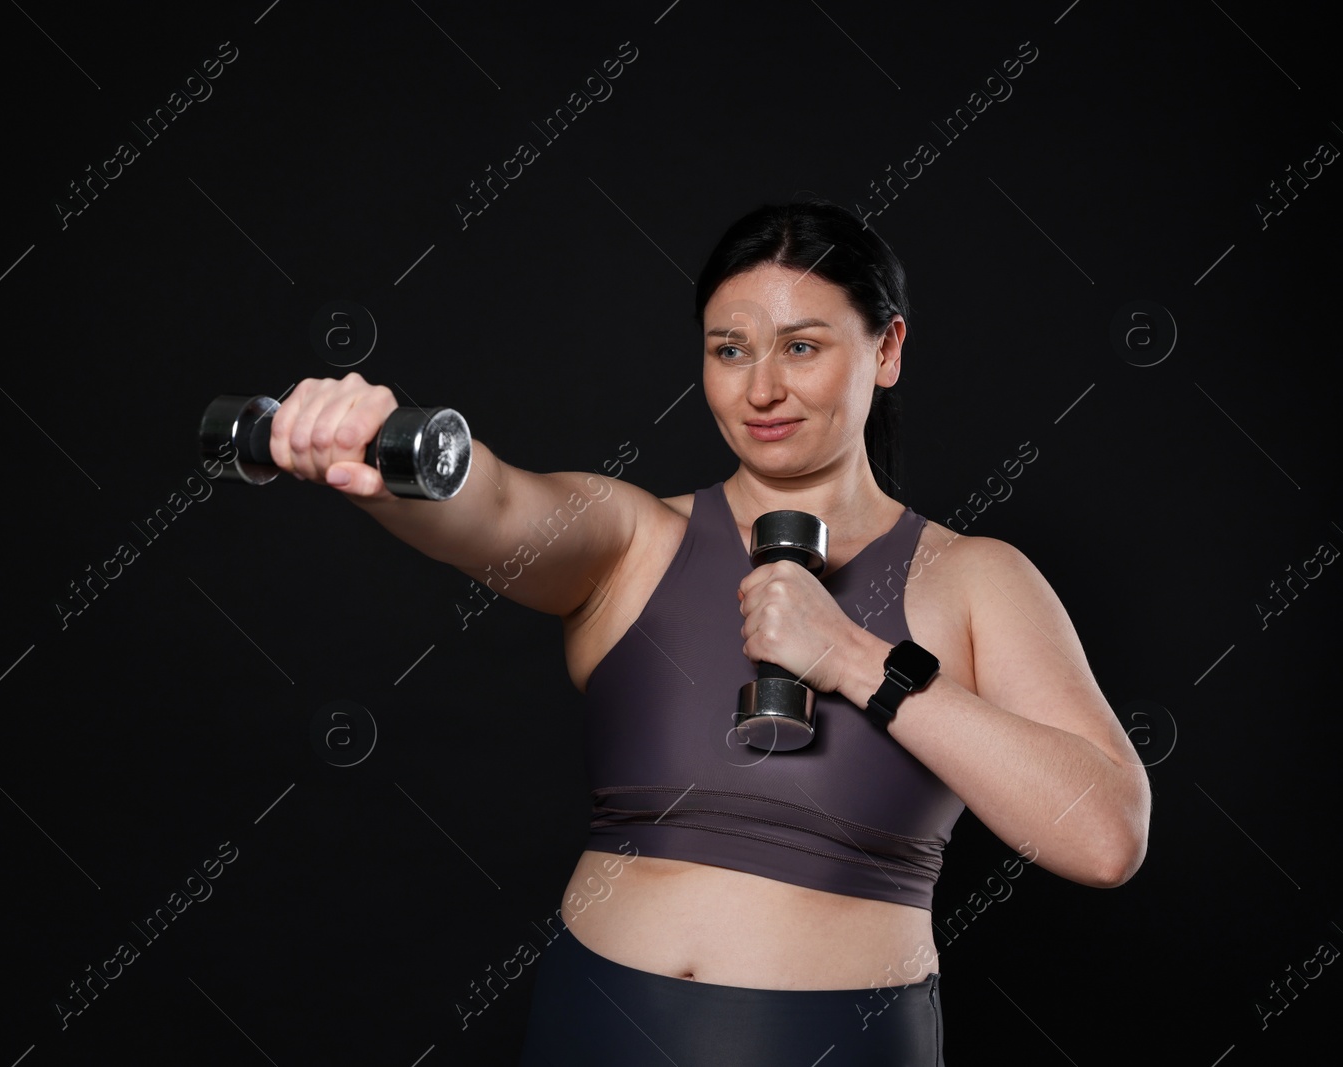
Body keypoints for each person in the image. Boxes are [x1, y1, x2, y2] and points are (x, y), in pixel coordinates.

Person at [265, 199, 1152, 1065]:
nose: (762, 388)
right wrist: (386, 454)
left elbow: (1106, 836)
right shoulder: (635, 539)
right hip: (595, 1027)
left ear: (886, 349)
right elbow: (496, 503)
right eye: (730, 351)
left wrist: (854, 656)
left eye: (802, 346)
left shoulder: (972, 578)